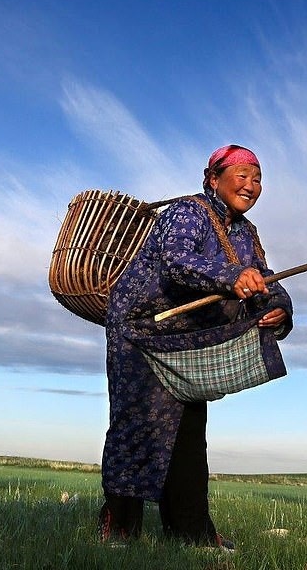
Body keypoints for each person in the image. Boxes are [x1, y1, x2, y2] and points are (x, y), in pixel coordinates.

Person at [99, 144, 294, 549]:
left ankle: (191, 532)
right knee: (136, 426)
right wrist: (232, 276)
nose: (251, 185)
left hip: (184, 342)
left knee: (189, 434)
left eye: (257, 178)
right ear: (213, 178)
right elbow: (176, 260)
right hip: (138, 331)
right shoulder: (188, 212)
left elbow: (264, 278)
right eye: (242, 175)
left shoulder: (246, 234)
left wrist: (278, 307)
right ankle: (119, 527)